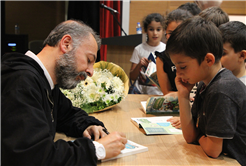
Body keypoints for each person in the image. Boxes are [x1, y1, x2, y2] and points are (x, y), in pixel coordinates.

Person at [0, 20, 127, 165]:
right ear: (66, 44)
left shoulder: (44, 81)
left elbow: (67, 114)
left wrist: (89, 126)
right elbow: (33, 157)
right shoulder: (20, 82)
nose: (91, 72)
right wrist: (97, 149)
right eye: (89, 60)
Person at [166, 16, 246, 165]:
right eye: (175, 67)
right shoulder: (205, 84)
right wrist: (183, 95)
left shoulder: (222, 89)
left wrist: (198, 136)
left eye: (182, 67)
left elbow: (212, 150)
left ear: (208, 60)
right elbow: (190, 136)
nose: (178, 74)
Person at [129, 13, 165, 95]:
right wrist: (139, 65)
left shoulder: (166, 50)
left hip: (159, 94)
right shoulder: (138, 49)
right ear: (145, 30)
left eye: (158, 29)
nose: (155, 33)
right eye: (151, 29)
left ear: (163, 31)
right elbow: (132, 77)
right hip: (140, 92)